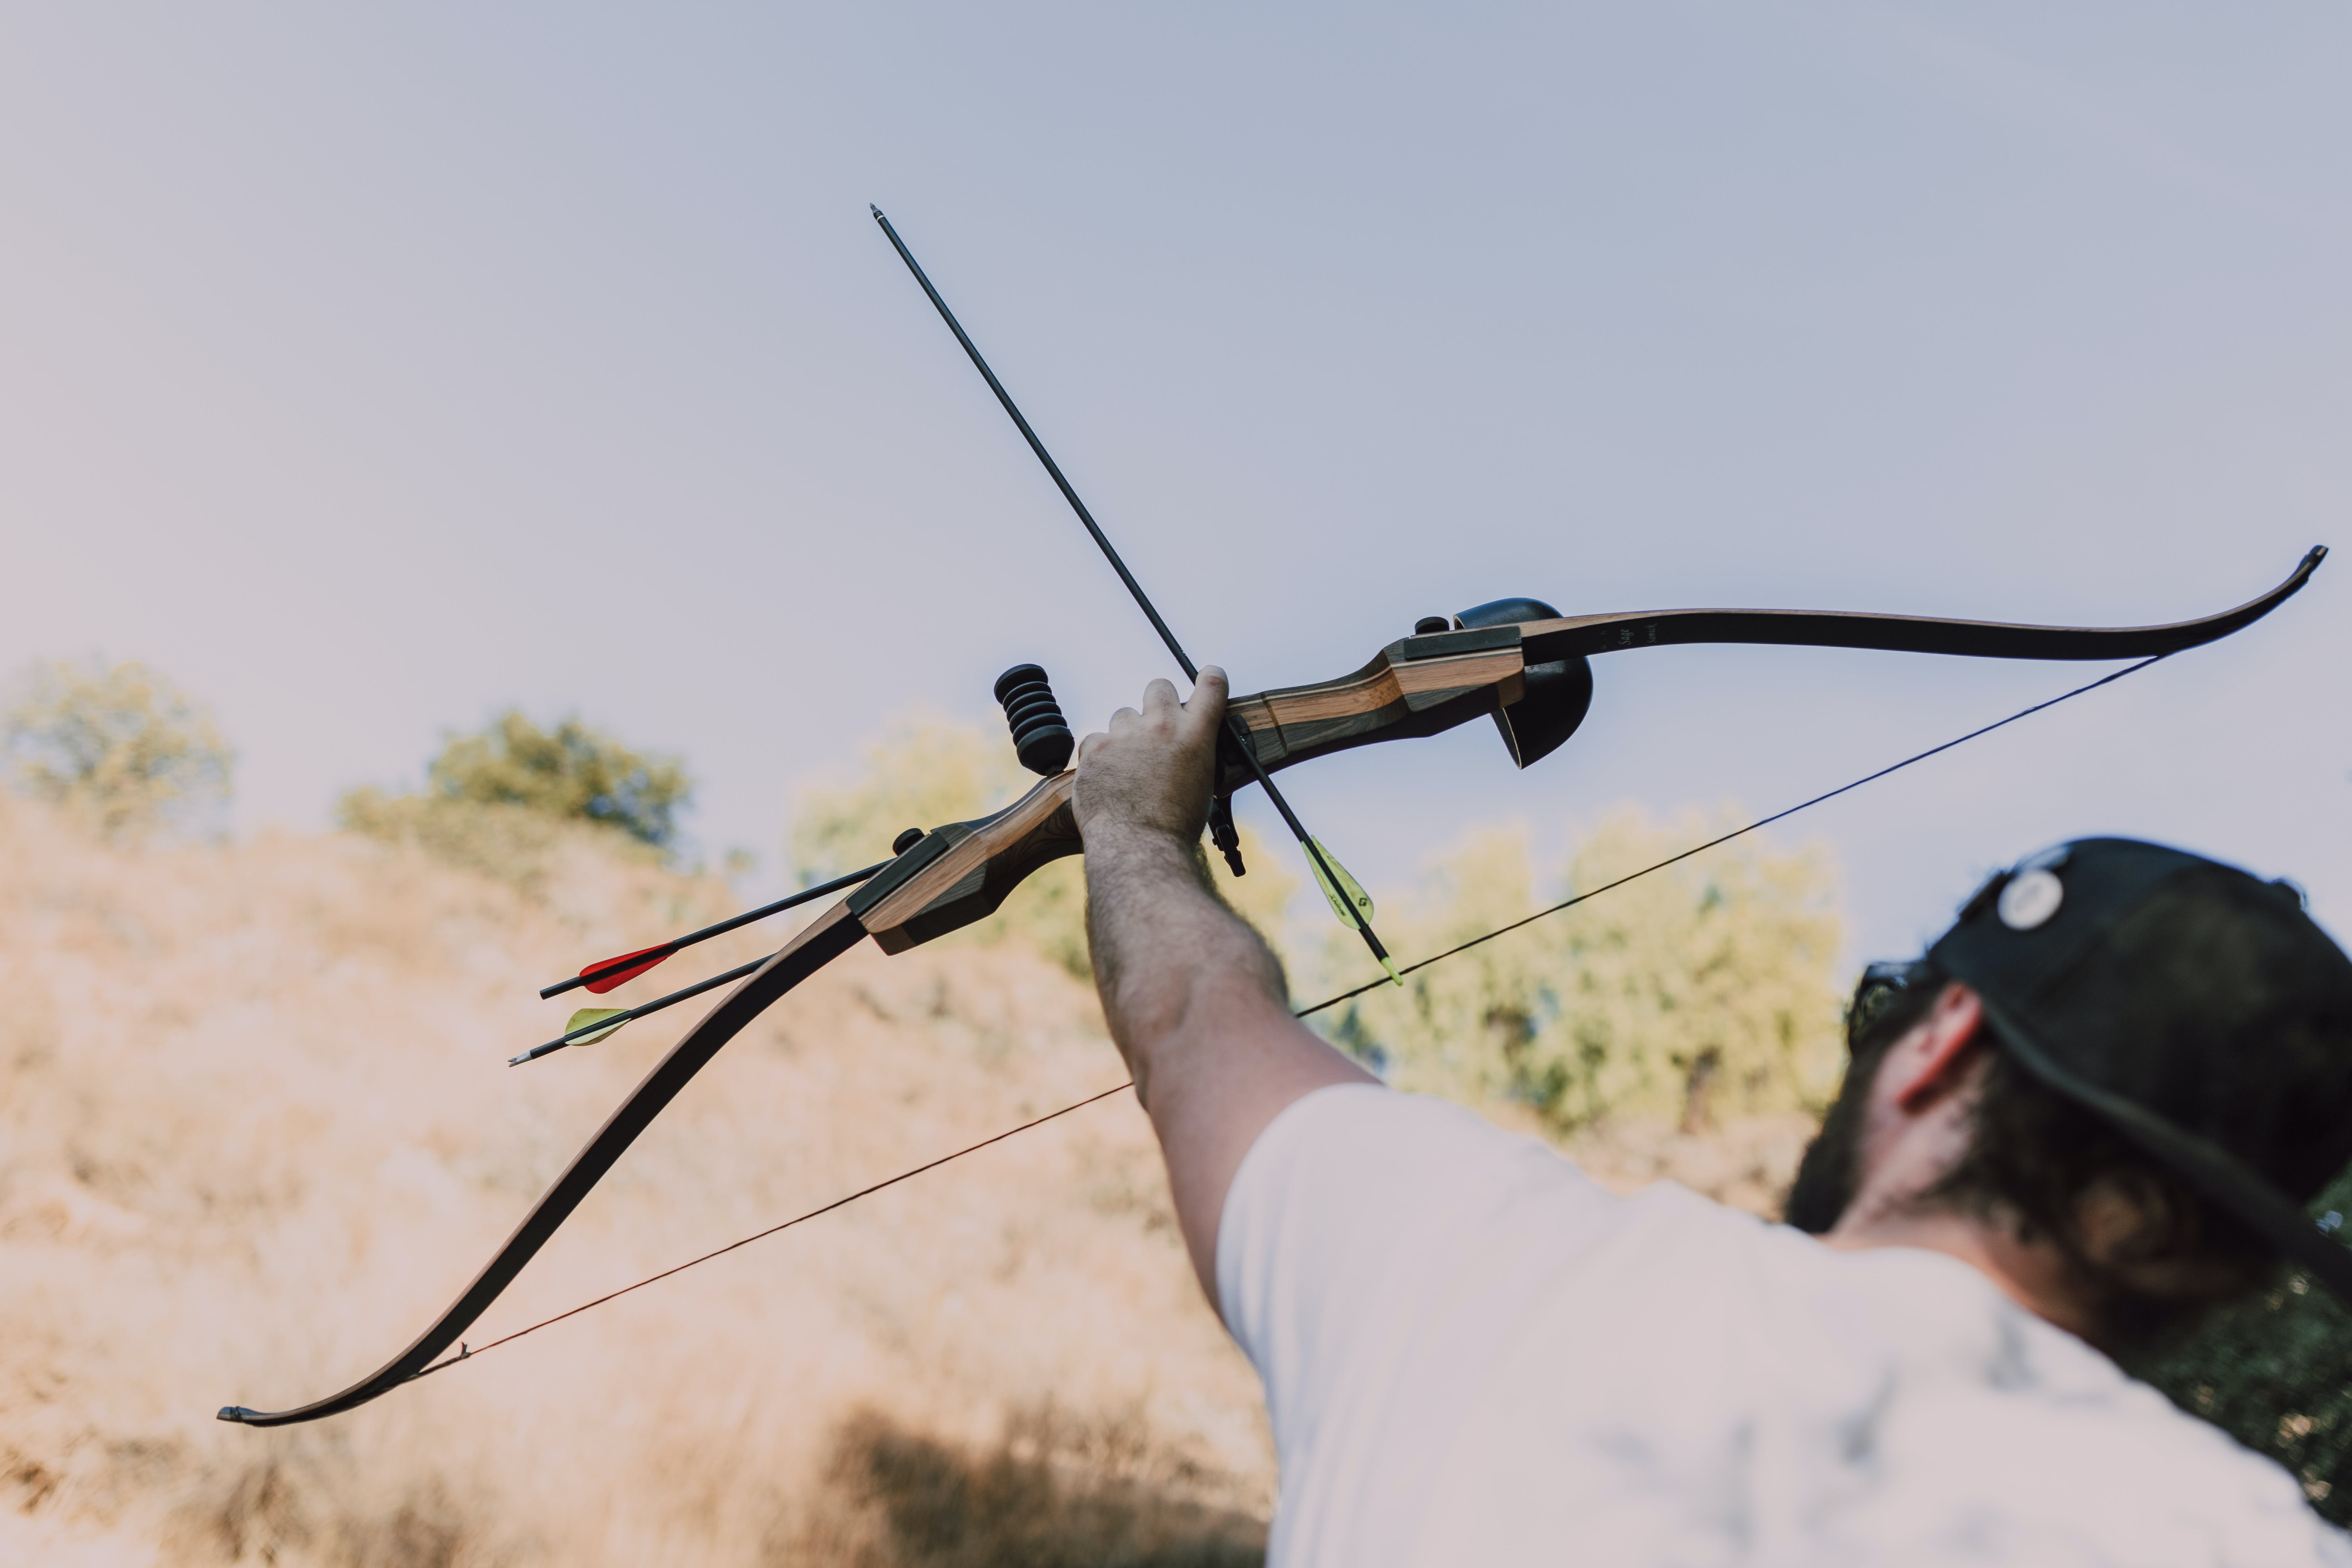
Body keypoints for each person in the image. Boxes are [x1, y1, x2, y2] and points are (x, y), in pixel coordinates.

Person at [1071, 668, 2352, 1566]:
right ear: (2234, 1268)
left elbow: (1191, 1018)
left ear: (1943, 1045)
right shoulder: (2250, 1542)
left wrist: (1131, 820)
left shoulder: (1484, 1268)